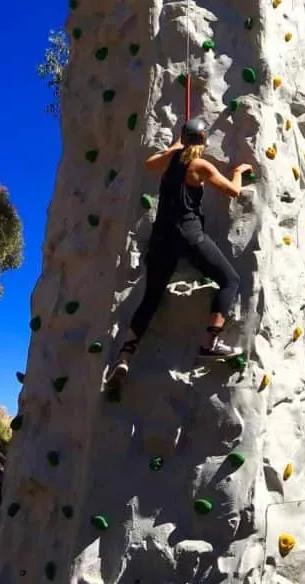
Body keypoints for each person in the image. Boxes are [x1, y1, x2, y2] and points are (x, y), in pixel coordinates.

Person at [105, 118, 252, 390]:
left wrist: (174, 146)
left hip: (162, 239)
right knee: (230, 280)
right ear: (204, 141)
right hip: (189, 235)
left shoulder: (169, 161)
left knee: (151, 299)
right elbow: (233, 191)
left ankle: (124, 358)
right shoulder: (201, 166)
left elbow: (150, 163)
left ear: (184, 139)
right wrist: (240, 171)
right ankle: (210, 343)